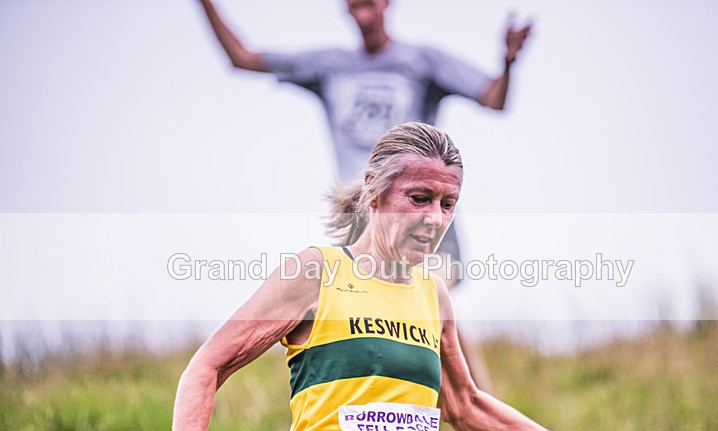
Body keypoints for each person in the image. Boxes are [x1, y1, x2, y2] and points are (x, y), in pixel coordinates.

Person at [151, 122, 660, 431]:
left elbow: (465, 405)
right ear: (374, 191)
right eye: (419, 198)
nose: (435, 219)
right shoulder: (317, 272)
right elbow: (206, 366)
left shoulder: (432, 292)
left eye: (447, 203)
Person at [196, 0, 531, 399]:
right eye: (354, 4)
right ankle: (404, 414)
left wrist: (509, 62)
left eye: (369, 2)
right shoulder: (330, 66)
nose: (363, 11)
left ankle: (473, 415)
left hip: (421, 214)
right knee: (374, 314)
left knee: (429, 301)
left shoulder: (421, 62)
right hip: (362, 217)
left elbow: (493, 98)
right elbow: (243, 58)